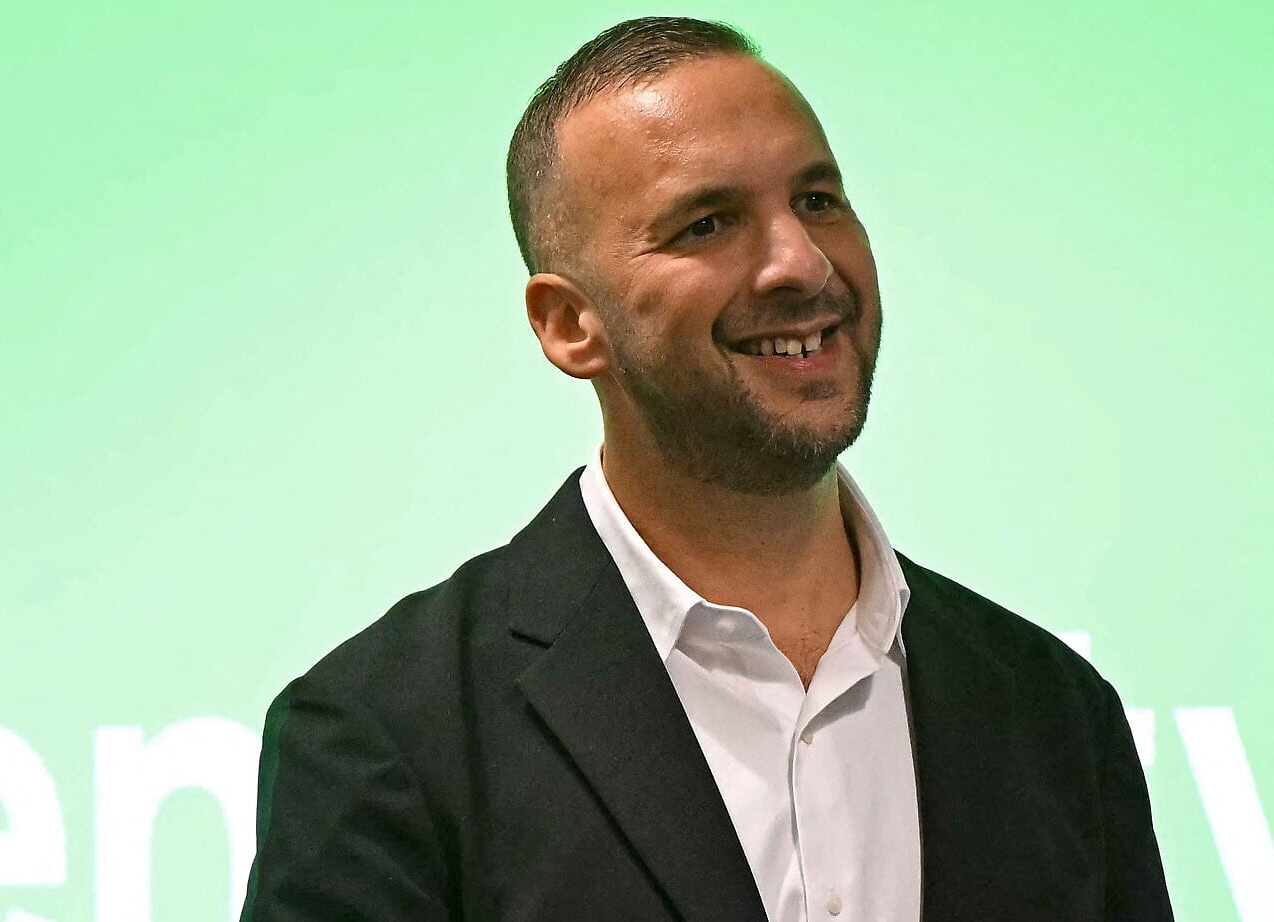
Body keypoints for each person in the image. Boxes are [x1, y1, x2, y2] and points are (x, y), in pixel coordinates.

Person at [239, 16, 1173, 922]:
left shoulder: (1052, 711)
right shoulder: (387, 736)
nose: (801, 264)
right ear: (569, 325)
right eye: (707, 223)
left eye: (816, 200)